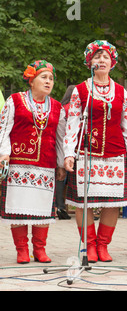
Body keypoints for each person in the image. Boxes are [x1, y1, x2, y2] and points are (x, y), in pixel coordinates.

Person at [64, 40, 127, 263]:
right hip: (87, 153)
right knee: (84, 200)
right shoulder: (81, 90)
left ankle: (103, 244)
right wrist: (69, 152)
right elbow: (73, 123)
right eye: (97, 57)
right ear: (90, 62)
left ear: (112, 62)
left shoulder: (122, 92)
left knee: (112, 201)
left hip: (115, 153)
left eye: (105, 56)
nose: (101, 60)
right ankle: (89, 245)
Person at [0, 60, 66, 264]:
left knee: (42, 207)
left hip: (45, 166)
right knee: (18, 207)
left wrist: (61, 163)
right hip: (18, 164)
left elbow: (61, 137)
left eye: (51, 78)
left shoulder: (56, 107)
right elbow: (3, 129)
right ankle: (21, 250)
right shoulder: (15, 100)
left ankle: (40, 249)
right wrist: (4, 154)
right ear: (32, 81)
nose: (48, 82)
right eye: (43, 77)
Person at [54, 85, 75, 220]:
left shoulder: (62, 108)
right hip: (71, 146)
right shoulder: (72, 109)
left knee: (60, 181)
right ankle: (63, 207)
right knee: (66, 179)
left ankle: (59, 207)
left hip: (59, 145)